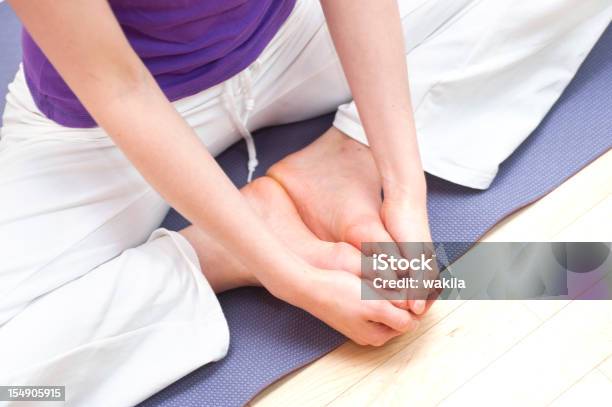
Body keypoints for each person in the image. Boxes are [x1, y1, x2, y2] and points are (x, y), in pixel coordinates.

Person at [1, 0, 609, 405]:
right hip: (100, 121)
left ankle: (340, 159)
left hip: (292, 41)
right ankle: (220, 248)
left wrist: (399, 182)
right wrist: (278, 268)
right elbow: (120, 88)